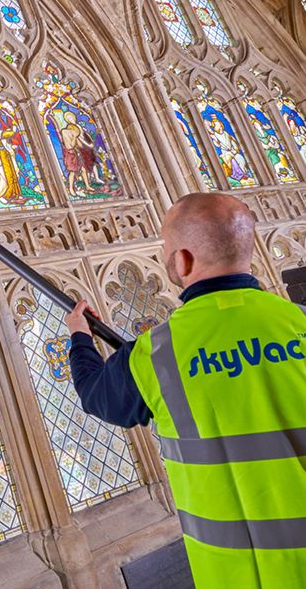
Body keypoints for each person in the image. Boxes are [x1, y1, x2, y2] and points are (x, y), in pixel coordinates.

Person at [65, 192, 306, 587]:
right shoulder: (299, 321)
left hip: (237, 574)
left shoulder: (155, 354)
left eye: (165, 247)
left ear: (182, 260)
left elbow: (95, 395)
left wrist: (79, 337)